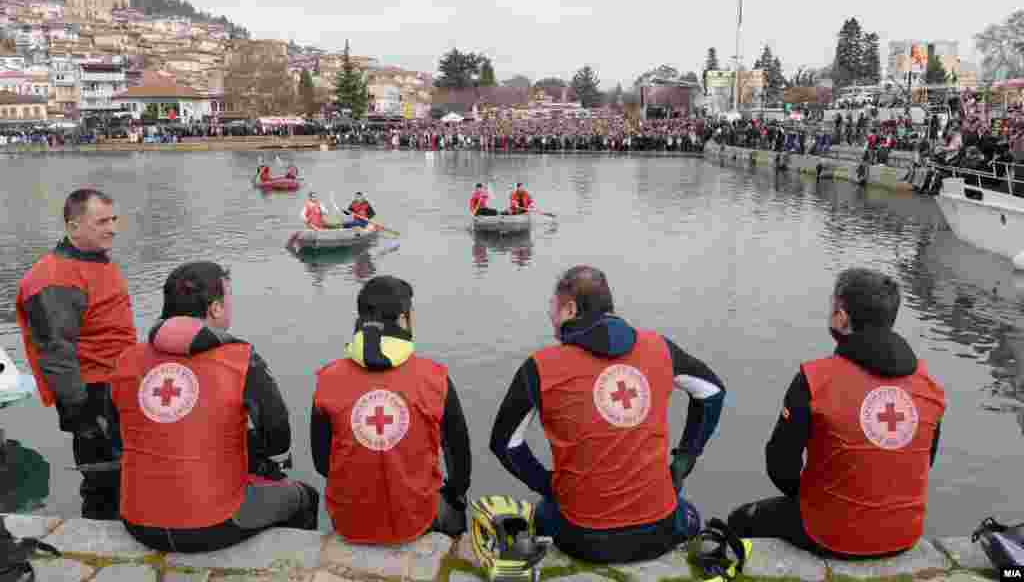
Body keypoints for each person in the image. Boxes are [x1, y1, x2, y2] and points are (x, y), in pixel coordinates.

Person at [490, 266, 725, 564]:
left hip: (582, 539)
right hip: (662, 531)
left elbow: (504, 444)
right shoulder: (659, 348)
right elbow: (712, 393)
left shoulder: (540, 367)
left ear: (571, 308)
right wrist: (683, 461)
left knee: (541, 512)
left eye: (553, 306)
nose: (550, 315)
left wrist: (548, 485)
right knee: (689, 512)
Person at [727, 268, 946, 559]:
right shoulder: (930, 385)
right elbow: (924, 461)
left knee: (739, 521)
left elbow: (780, 464)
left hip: (831, 533)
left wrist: (813, 500)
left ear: (842, 318)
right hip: (904, 534)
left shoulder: (815, 379)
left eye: (833, 306)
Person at [109, 262, 319, 553]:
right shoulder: (242, 359)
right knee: (304, 497)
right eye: (229, 297)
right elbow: (278, 439)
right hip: (211, 523)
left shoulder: (126, 360)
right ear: (216, 308)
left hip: (137, 519)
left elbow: (117, 439)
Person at [312, 276, 472, 544]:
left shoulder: (327, 379)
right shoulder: (435, 379)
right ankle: (449, 550)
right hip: (417, 520)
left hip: (349, 521)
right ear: (403, 320)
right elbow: (460, 462)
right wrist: (454, 492)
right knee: (455, 507)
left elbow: (321, 463)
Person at [15, 188, 138, 520]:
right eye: (101, 221)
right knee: (103, 480)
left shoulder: (95, 262)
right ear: (73, 227)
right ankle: (102, 537)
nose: (112, 228)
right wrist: (80, 413)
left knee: (129, 473)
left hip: (118, 385)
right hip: (92, 394)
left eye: (113, 219)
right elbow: (55, 351)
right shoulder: (53, 277)